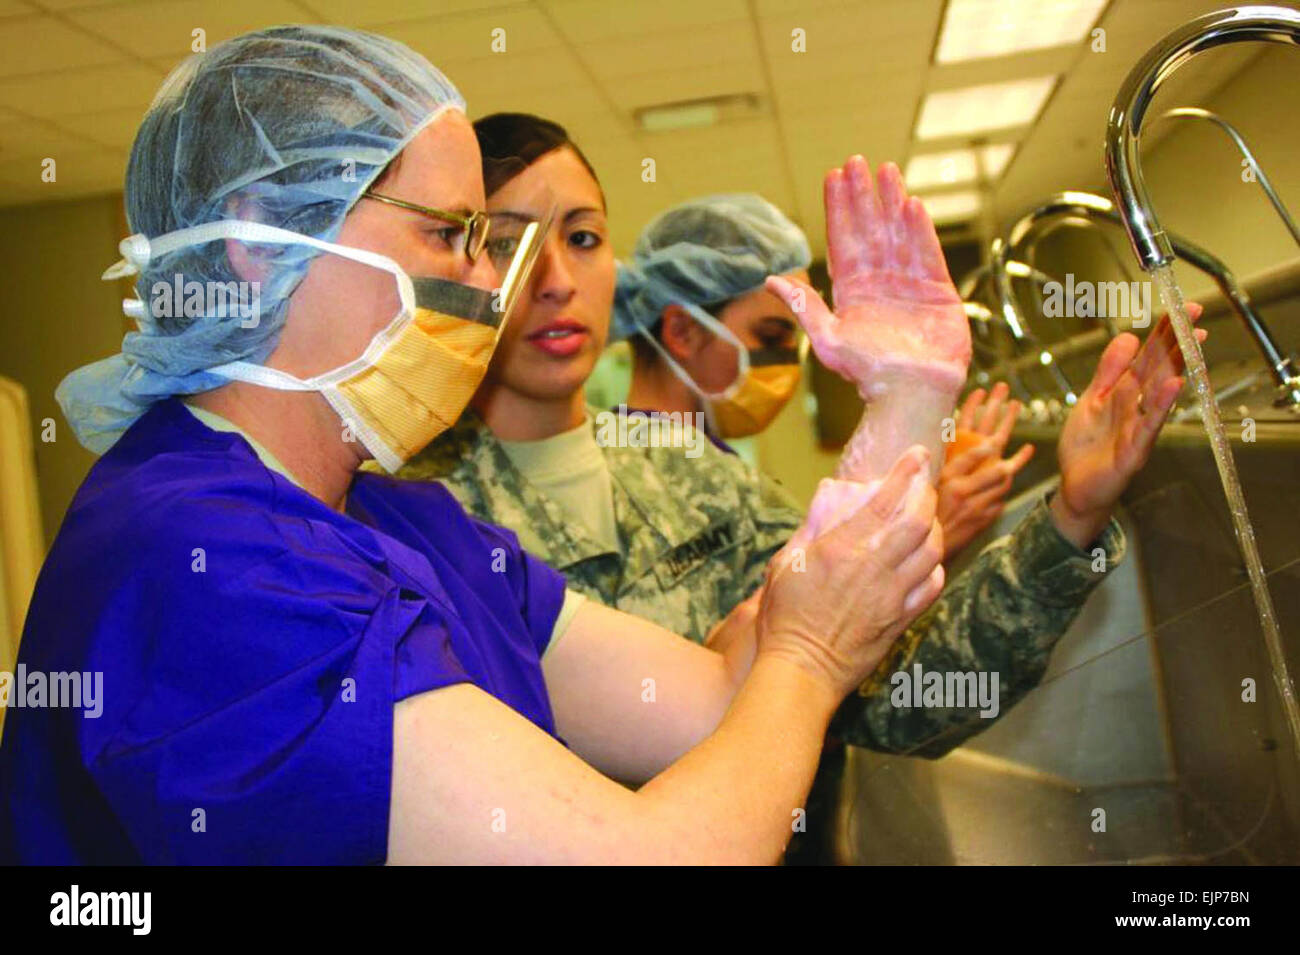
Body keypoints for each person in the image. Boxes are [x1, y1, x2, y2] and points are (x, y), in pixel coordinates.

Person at [0, 26, 951, 865]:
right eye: (456, 232)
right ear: (261, 237)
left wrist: (904, 408)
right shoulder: (203, 567)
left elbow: (713, 698)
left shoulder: (396, 514)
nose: (487, 282)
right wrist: (815, 653)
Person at [396, 112, 1204, 860]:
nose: (555, 279)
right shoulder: (412, 522)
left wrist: (1071, 516)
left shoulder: (693, 472)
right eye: (508, 243)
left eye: (583, 236)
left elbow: (894, 699)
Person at [611, 192, 1035, 559]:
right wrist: (915, 529)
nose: (788, 367)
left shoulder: (719, 470)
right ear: (683, 331)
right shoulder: (623, 483)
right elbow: (793, 641)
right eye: (771, 336)